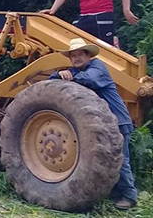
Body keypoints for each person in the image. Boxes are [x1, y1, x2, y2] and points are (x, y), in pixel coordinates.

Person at [50, 38, 137, 210]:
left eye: (80, 55)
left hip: (118, 120)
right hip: (103, 124)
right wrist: (59, 74)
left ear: (88, 55)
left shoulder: (97, 67)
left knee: (120, 159)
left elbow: (90, 80)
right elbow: (53, 80)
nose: (76, 59)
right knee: (105, 159)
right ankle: (115, 193)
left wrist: (68, 75)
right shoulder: (75, 70)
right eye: (73, 56)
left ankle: (129, 196)